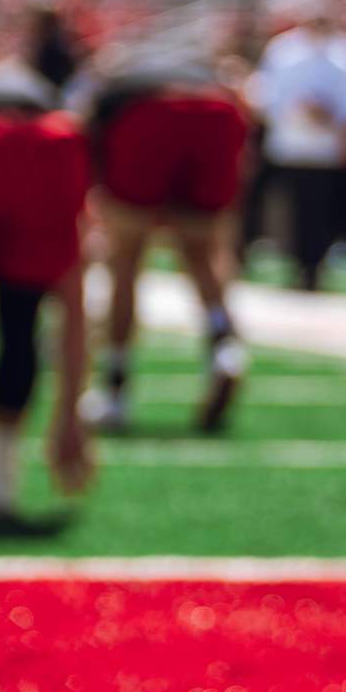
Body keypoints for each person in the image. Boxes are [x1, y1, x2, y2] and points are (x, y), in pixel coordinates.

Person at [0, 46, 94, 527]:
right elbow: (73, 304)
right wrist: (71, 414)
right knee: (22, 318)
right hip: (46, 148)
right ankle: (0, 482)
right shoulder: (51, 119)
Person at [78, 47, 251, 434]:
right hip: (217, 115)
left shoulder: (117, 84)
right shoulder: (201, 76)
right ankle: (226, 347)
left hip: (146, 117)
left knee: (125, 260)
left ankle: (115, 389)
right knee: (204, 254)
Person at [246, 0, 346, 291]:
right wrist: (294, 111)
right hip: (288, 142)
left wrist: (329, 115)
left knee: (318, 212)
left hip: (324, 148)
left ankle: (312, 268)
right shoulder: (283, 50)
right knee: (279, 206)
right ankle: (262, 256)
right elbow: (266, 95)